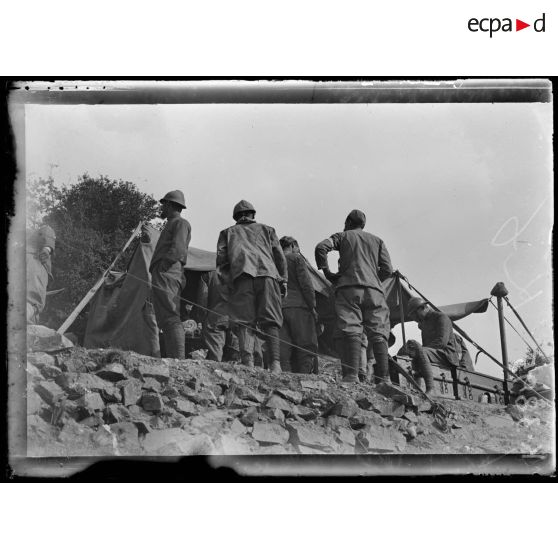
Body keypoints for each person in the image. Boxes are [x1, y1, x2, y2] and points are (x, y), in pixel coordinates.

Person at [315, 209, 393, 383]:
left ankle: (352, 375)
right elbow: (388, 269)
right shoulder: (378, 241)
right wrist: (373, 280)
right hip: (374, 292)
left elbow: (321, 247)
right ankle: (385, 379)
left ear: (348, 222)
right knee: (379, 332)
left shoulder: (342, 236)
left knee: (351, 328)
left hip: (348, 289)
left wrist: (327, 272)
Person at [216, 200, 287, 372]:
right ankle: (275, 364)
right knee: (271, 321)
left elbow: (222, 262)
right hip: (268, 276)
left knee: (244, 321)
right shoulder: (268, 230)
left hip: (242, 277)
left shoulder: (227, 233)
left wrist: (229, 282)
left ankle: (247, 363)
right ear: (253, 215)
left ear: (235, 217)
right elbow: (279, 256)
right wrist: (283, 279)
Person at [145, 190, 191, 359]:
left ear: (171, 205)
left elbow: (178, 249)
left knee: (171, 316)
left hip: (168, 272)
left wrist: (163, 266)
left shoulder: (180, 223)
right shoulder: (171, 224)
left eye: (164, 204)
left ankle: (179, 359)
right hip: (164, 272)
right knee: (164, 318)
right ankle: (174, 359)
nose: (161, 208)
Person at [403, 296, 472, 395]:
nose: (414, 318)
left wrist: (419, 350)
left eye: (414, 314)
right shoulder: (424, 324)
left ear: (423, 308)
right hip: (434, 353)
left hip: (447, 355)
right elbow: (426, 347)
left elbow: (441, 342)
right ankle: (416, 387)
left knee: (420, 351)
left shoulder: (441, 317)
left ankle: (430, 388)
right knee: (409, 351)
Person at [278, 236, 319, 374]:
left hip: (279, 308)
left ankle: (285, 375)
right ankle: (305, 376)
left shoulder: (274, 261)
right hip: (299, 307)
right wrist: (312, 306)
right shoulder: (296, 258)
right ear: (293, 246)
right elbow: (306, 285)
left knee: (283, 345)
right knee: (305, 343)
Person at [26, 224, 56, 324]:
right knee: (32, 299)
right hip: (35, 261)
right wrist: (47, 249)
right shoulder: (45, 229)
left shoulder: (27, 237)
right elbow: (47, 232)